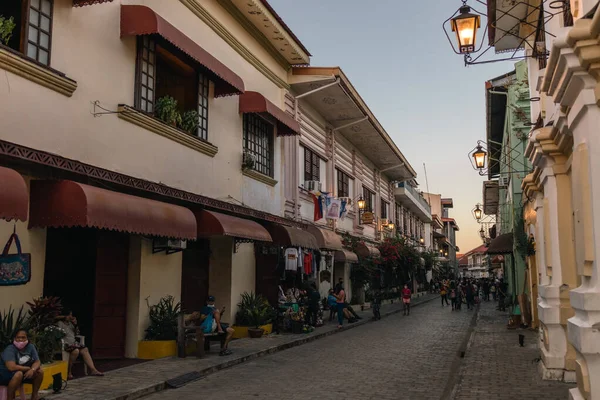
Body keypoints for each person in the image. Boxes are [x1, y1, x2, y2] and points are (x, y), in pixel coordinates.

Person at [56, 309, 104, 379]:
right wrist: (64, 318)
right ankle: (69, 371)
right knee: (76, 351)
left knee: (85, 349)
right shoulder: (60, 323)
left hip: (73, 343)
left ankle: (93, 370)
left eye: (71, 315)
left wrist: (75, 325)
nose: (71, 316)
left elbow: (76, 334)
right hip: (65, 343)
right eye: (70, 315)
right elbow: (58, 333)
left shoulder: (70, 324)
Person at [0, 329, 44, 400]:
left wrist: (32, 370)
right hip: (5, 374)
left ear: (27, 338)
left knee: (39, 372)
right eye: (18, 337)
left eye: (23, 337)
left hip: (21, 373)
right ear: (14, 338)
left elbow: (37, 361)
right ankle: (10, 398)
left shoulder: (30, 347)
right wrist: (28, 369)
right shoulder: (10, 349)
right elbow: (11, 367)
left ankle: (34, 396)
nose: (20, 339)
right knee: (19, 374)